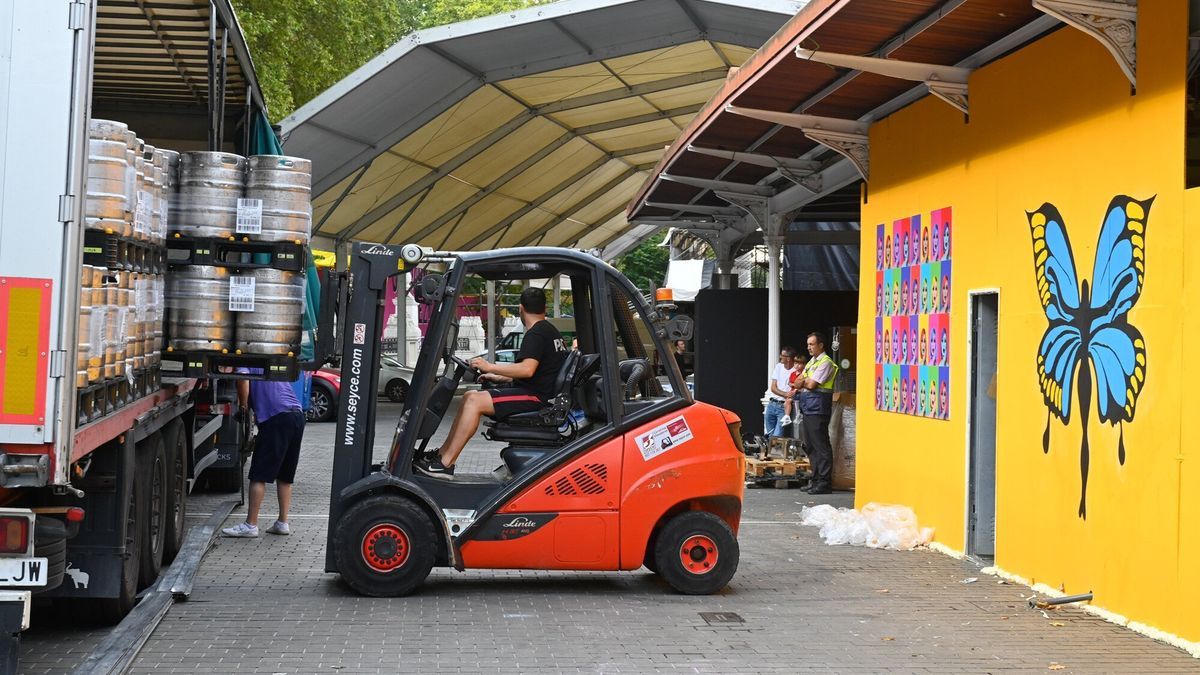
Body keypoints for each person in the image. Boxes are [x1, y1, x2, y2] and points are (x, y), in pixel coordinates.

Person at [415, 287, 568, 477]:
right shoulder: (550, 331)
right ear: (544, 308)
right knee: (470, 395)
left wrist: (490, 367)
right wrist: (499, 377)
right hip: (537, 392)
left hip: (536, 398)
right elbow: (542, 372)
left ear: (520, 308)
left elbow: (527, 370)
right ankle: (441, 455)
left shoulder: (536, 333)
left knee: (474, 401)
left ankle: (445, 463)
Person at [221, 376, 306, 538]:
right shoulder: (271, 361)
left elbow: (243, 380)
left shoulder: (250, 360)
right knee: (285, 475)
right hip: (296, 416)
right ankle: (282, 523)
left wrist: (243, 407)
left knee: (258, 475)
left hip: (276, 418)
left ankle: (250, 525)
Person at [796, 331, 838, 494]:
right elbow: (796, 382)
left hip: (818, 407)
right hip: (808, 407)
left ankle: (824, 482)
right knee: (811, 445)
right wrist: (803, 381)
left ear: (821, 345)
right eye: (808, 345)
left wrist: (804, 381)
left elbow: (812, 384)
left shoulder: (825, 362)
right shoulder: (812, 362)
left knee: (821, 445)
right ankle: (815, 479)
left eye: (812, 344)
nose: (809, 348)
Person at [763, 346, 798, 438]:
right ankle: (770, 452)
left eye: (782, 355)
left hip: (783, 407)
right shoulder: (778, 367)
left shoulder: (795, 371)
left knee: (777, 437)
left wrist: (788, 394)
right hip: (772, 403)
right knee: (769, 435)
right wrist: (785, 394)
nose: (780, 357)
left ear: (788, 358)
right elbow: (773, 388)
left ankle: (775, 452)